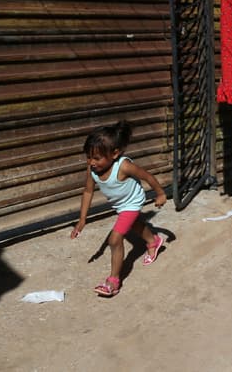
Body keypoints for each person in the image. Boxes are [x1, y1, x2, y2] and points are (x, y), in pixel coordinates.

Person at [70, 121, 167, 297]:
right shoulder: (92, 169)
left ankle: (113, 281)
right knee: (133, 225)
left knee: (115, 239)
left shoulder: (124, 166)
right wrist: (82, 220)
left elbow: (147, 176)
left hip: (133, 202)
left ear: (115, 154)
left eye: (96, 158)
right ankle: (153, 241)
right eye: (88, 157)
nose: (91, 162)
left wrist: (160, 193)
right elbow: (88, 191)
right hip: (121, 205)